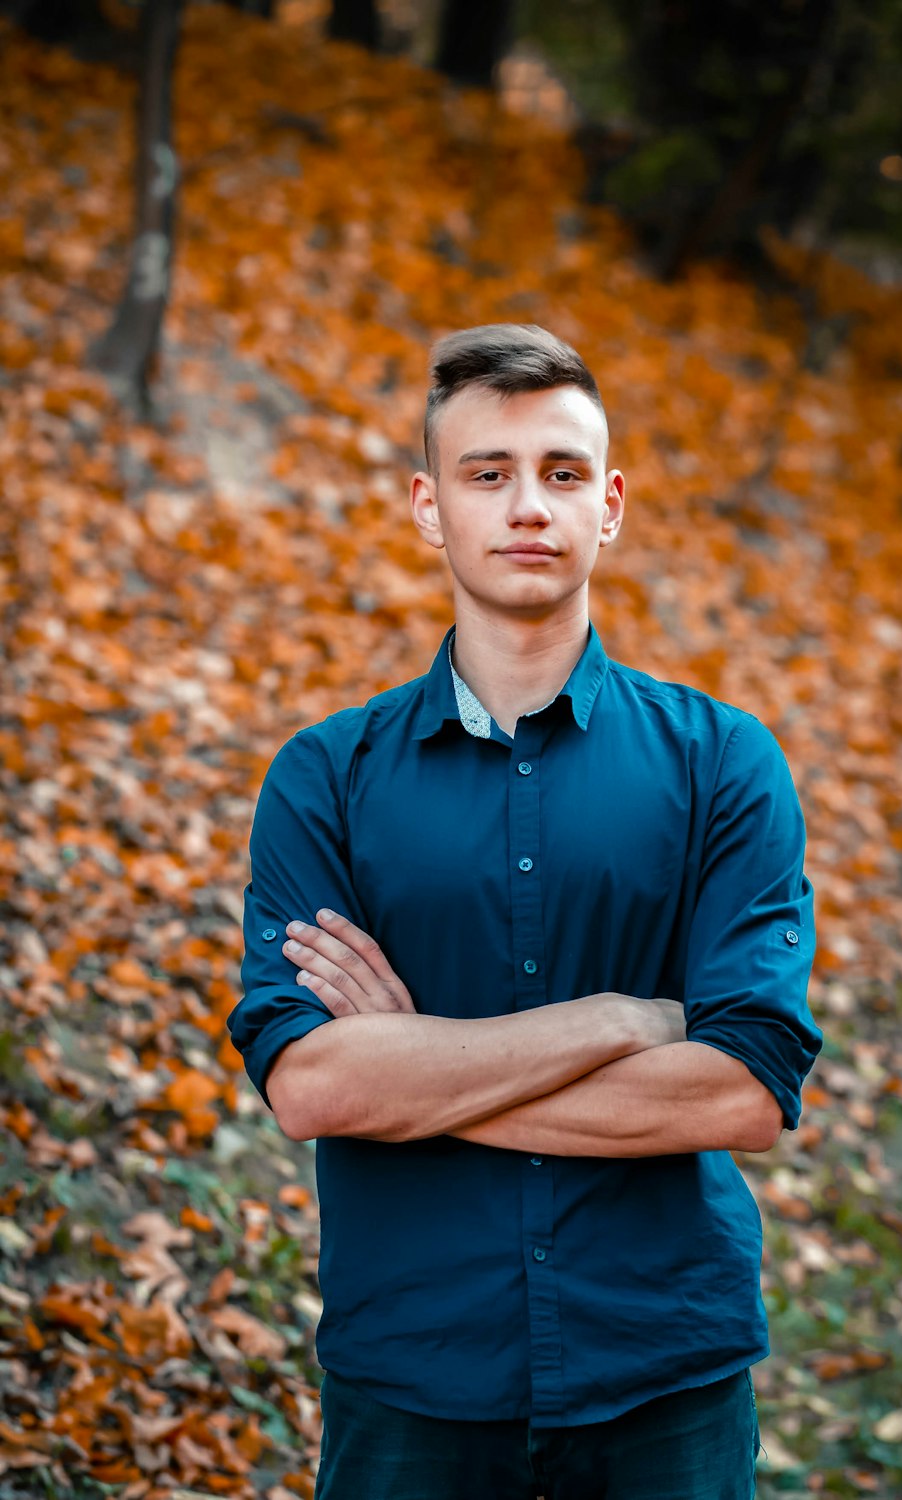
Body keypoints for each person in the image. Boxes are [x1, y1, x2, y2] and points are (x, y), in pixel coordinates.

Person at [227, 323, 822, 1500]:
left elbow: (742, 1093)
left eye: (559, 474)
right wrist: (616, 1019)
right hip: (412, 1382)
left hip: (666, 1378)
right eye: (485, 474)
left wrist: (417, 1074)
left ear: (608, 506)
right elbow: (312, 1087)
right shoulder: (325, 777)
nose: (525, 507)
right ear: (427, 506)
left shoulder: (723, 765)